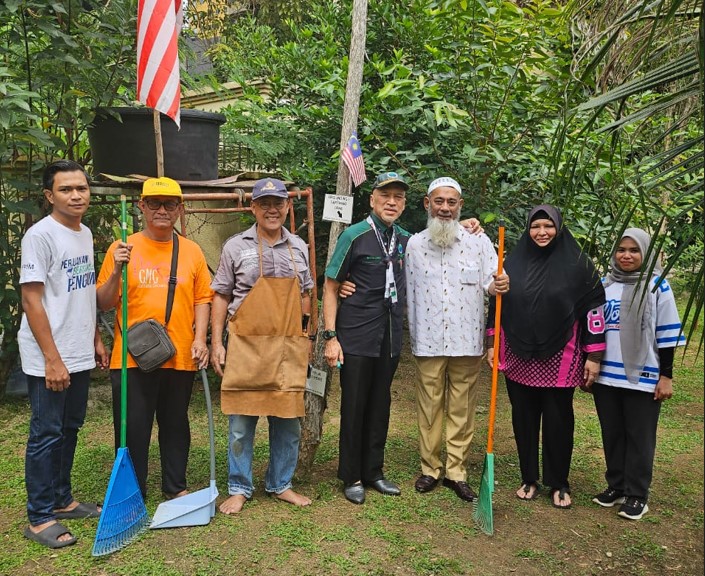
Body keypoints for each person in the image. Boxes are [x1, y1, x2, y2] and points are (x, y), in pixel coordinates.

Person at [97, 177, 212, 499]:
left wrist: (200, 339)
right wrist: (117, 269)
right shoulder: (122, 248)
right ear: (142, 206)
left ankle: (175, 487)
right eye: (154, 203)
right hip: (131, 357)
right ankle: (133, 491)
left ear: (180, 209)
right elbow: (103, 302)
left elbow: (203, 298)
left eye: (169, 204)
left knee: (175, 424)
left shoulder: (191, 251)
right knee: (132, 428)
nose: (162, 210)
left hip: (179, 353)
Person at [486, 204, 606, 509]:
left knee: (558, 420)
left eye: (548, 226)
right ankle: (529, 478)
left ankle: (559, 481)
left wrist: (594, 354)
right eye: (535, 226)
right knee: (523, 418)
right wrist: (492, 342)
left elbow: (594, 310)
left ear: (559, 228)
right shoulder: (513, 262)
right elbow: (497, 306)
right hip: (519, 355)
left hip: (560, 356)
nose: (542, 232)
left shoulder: (579, 265)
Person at [210, 177, 313, 514]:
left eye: (278, 203)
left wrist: (306, 335)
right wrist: (216, 343)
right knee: (241, 424)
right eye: (264, 203)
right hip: (246, 345)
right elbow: (221, 295)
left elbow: (306, 294)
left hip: (288, 346)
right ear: (253, 207)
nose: (272, 210)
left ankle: (281, 483)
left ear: (287, 206)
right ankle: (239, 487)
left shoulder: (298, 247)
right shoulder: (235, 247)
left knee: (288, 421)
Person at [19, 160, 108, 549]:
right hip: (49, 355)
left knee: (70, 427)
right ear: (49, 195)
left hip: (78, 349)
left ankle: (62, 499)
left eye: (81, 188)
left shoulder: (84, 233)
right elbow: (31, 299)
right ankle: (40, 517)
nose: (76, 195)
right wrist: (52, 360)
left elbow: (82, 294)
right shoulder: (40, 236)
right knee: (46, 432)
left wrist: (95, 338)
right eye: (66, 189)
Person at [407, 177, 509, 502]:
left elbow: (492, 281)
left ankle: (456, 471)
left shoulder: (479, 242)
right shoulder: (414, 245)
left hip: (467, 339)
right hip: (428, 339)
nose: (445, 208)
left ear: (460, 205)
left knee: (462, 407)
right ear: (427, 204)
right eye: (439, 201)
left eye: (452, 202)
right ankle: (430, 468)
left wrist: (500, 283)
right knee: (429, 405)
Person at [323, 172, 412, 505]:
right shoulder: (354, 235)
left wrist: (469, 225)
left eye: (398, 197)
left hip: (390, 335)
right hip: (356, 334)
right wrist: (331, 337)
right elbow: (331, 286)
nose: (391, 202)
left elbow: (439, 243)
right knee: (355, 405)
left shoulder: (406, 239)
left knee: (380, 405)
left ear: (404, 204)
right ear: (372, 199)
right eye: (385, 195)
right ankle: (352, 476)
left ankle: (374, 471)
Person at [585, 228, 686, 520]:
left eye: (634, 250)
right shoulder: (606, 285)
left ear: (646, 253)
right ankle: (616, 486)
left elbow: (666, 336)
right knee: (612, 433)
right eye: (621, 250)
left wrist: (666, 376)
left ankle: (637, 494)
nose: (626, 256)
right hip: (607, 375)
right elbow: (594, 328)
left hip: (643, 377)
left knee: (639, 437)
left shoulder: (657, 287)